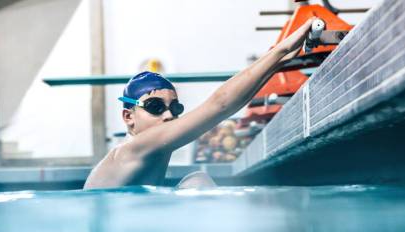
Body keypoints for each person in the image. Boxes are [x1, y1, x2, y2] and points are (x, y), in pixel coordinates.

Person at [83, 18, 317, 190]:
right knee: (197, 183)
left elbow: (227, 108)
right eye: (155, 107)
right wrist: (280, 50)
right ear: (128, 117)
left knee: (195, 181)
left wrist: (276, 65)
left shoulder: (146, 154)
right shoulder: (131, 150)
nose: (168, 116)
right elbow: (220, 105)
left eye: (175, 108)